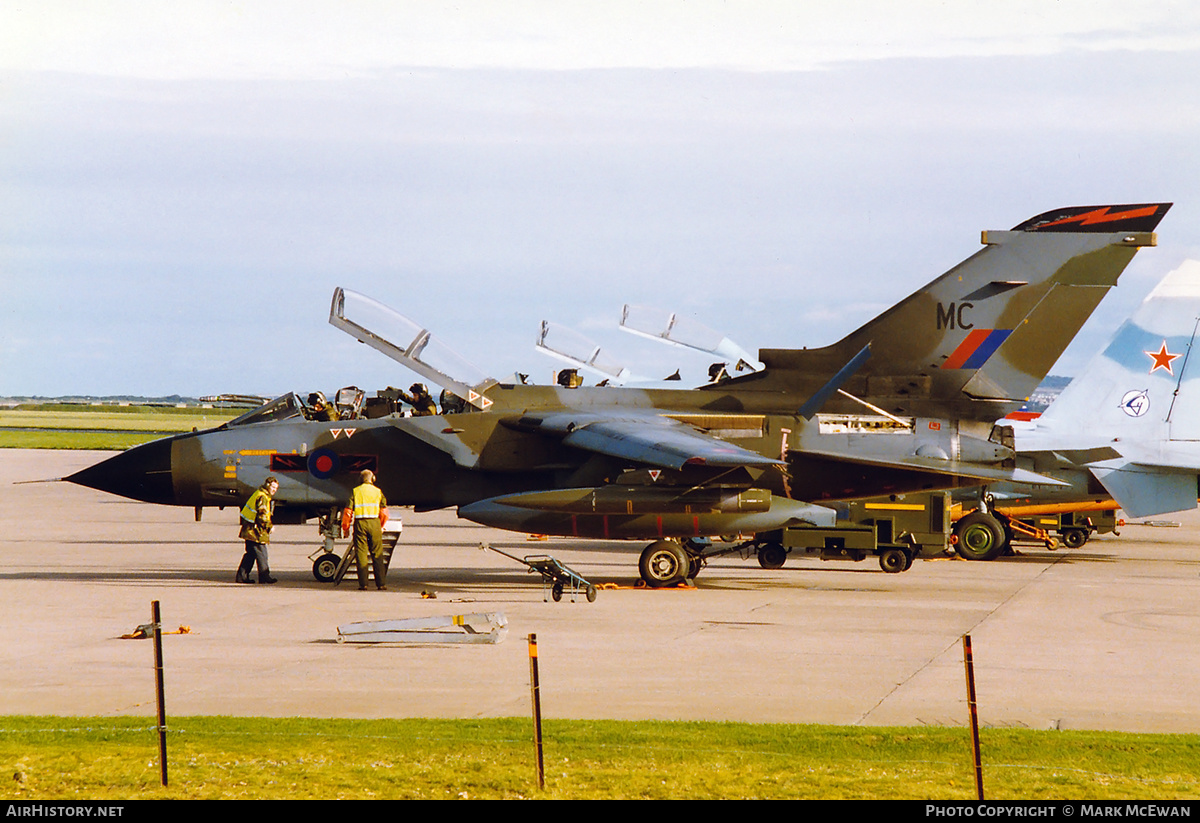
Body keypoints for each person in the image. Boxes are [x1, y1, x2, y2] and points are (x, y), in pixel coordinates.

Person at [346, 469, 389, 590]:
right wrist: (381, 526)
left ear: (360, 479)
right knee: (377, 553)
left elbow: (348, 512)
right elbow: (384, 512)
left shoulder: (355, 491)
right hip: (374, 522)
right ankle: (381, 584)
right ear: (373, 479)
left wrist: (345, 528)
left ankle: (363, 584)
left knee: (361, 553)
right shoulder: (378, 491)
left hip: (360, 523)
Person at [236, 476, 278, 584]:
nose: (274, 490)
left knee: (251, 554)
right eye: (273, 487)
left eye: (276, 488)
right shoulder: (263, 497)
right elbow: (262, 516)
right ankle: (264, 577)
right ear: (268, 485)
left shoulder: (259, 494)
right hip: (255, 531)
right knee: (262, 554)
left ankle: (242, 576)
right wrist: (269, 527)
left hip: (249, 529)